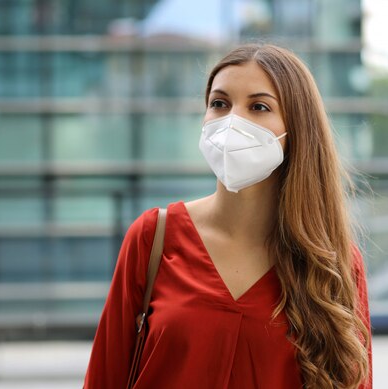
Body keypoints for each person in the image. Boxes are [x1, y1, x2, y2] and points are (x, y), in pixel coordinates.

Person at [84, 43, 372, 389]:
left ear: (296, 129)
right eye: (219, 103)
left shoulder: (333, 262)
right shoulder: (153, 237)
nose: (234, 121)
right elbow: (104, 377)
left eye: (259, 106)